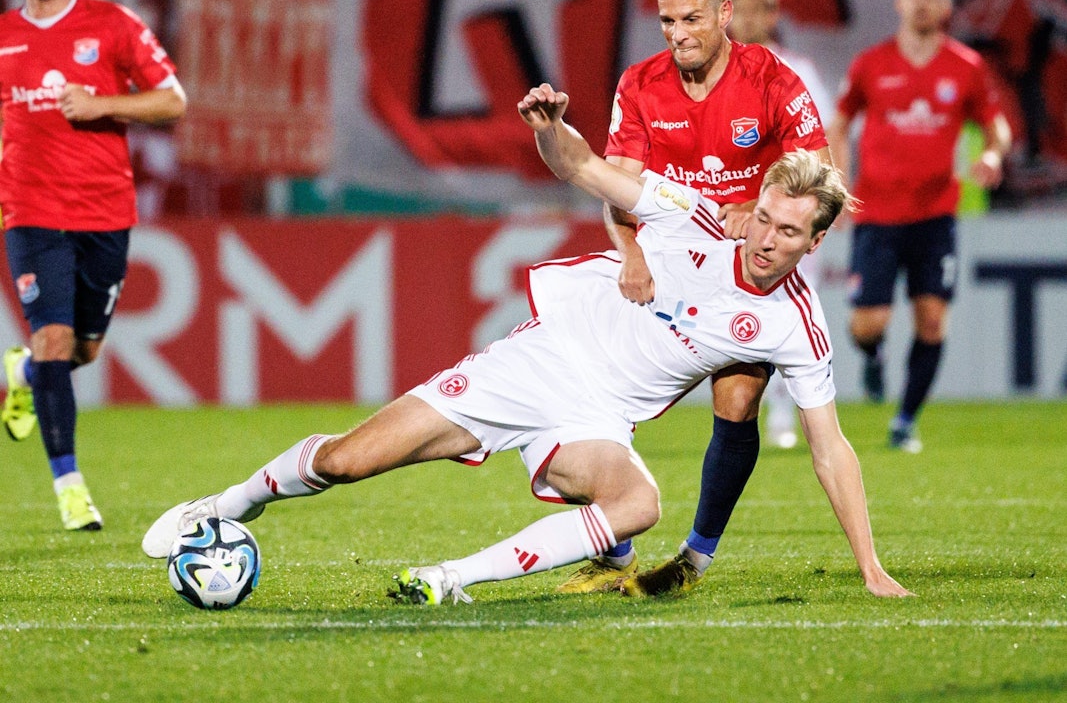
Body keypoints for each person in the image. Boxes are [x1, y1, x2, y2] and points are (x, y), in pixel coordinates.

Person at [141, 83, 912, 605]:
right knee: (347, 461)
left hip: (598, 421)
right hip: (536, 363)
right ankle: (223, 505)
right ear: (757, 204)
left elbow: (829, 448)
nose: (767, 241)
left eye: (788, 232)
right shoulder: (696, 216)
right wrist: (550, 127)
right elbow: (580, 166)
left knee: (637, 503)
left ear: (813, 243)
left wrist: (870, 567)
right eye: (766, 218)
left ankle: (449, 578)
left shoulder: (795, 324)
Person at [563, 0, 834, 596]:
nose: (677, 33)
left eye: (690, 19)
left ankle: (694, 559)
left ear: (723, 15)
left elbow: (819, 171)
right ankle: (614, 549)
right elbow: (616, 186)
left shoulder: (772, 79)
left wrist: (762, 203)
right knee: (584, 392)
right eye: (665, 20)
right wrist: (630, 254)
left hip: (745, 268)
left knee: (736, 400)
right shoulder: (639, 84)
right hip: (664, 265)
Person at [0, 0, 187, 530]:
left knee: (81, 349)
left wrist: (101, 103)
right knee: (53, 337)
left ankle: (21, 371)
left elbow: (172, 101)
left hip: (105, 212)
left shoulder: (113, 25)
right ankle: (70, 487)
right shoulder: (2, 39)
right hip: (29, 213)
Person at [825, 0, 1011, 453]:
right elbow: (838, 124)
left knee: (931, 320)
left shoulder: (966, 67)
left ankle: (905, 420)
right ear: (900, 2)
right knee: (870, 323)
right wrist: (839, 183)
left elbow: (997, 124)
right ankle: (873, 355)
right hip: (877, 214)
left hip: (935, 214)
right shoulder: (871, 63)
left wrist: (992, 154)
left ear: (947, 6)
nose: (924, 2)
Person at [727, 0, 834, 450]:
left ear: (772, 17)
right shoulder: (715, 73)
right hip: (726, 211)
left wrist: (828, 205)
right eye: (738, 10)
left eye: (755, 11)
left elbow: (824, 141)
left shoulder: (798, 71)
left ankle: (783, 414)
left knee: (785, 308)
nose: (745, 20)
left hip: (784, 213)